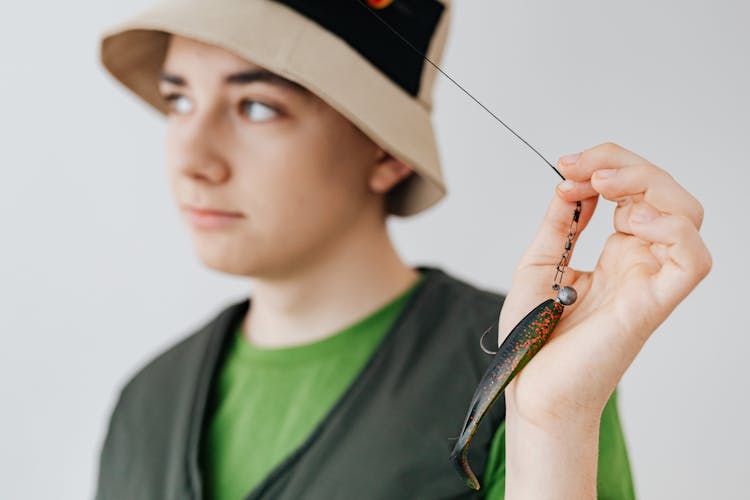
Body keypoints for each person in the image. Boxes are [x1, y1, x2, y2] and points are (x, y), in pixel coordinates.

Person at [94, 1, 711, 499]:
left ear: (386, 151)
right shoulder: (146, 402)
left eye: (257, 106)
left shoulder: (538, 368)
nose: (192, 161)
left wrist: (553, 425)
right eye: (178, 100)